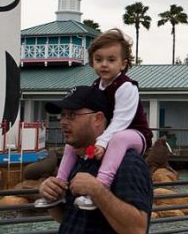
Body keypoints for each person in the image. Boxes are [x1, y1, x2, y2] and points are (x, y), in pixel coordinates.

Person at [36, 29, 153, 211]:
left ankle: (100, 185)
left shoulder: (126, 87)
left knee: (119, 138)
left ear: (123, 64)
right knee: (71, 146)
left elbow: (121, 121)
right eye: (99, 60)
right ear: (92, 63)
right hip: (109, 135)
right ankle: (59, 185)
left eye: (111, 60)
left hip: (136, 134)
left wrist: (102, 143)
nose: (104, 65)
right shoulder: (96, 86)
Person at [37, 85, 153, 234]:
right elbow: (70, 217)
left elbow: (137, 229)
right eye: (63, 115)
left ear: (98, 119)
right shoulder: (77, 159)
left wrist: (97, 191)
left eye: (72, 115)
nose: (63, 122)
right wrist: (52, 198)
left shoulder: (128, 162)